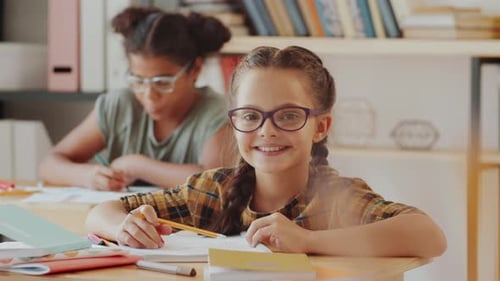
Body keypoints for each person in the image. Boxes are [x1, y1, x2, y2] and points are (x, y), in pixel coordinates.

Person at [85, 46, 447, 257]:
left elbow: (429, 235)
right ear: (235, 122)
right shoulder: (212, 192)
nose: (267, 130)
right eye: (251, 116)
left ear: (320, 127)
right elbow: (101, 212)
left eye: (289, 115)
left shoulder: (337, 199)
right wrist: (124, 227)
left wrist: (308, 241)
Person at [39, 6, 233, 191]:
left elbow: (216, 181)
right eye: (138, 81)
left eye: (163, 82)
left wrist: (138, 166)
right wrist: (88, 176)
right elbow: (49, 165)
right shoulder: (119, 105)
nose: (149, 95)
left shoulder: (214, 113)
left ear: (195, 70)